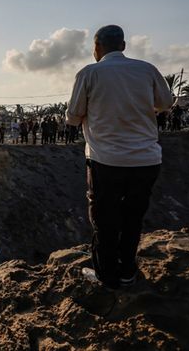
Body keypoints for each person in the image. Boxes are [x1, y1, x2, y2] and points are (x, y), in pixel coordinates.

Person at [66, 25, 173, 289]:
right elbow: (166, 103)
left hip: (106, 161)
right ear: (123, 46)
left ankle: (106, 275)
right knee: (133, 217)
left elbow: (72, 117)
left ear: (97, 47)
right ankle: (127, 270)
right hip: (146, 160)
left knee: (105, 220)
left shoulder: (89, 73)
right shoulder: (147, 69)